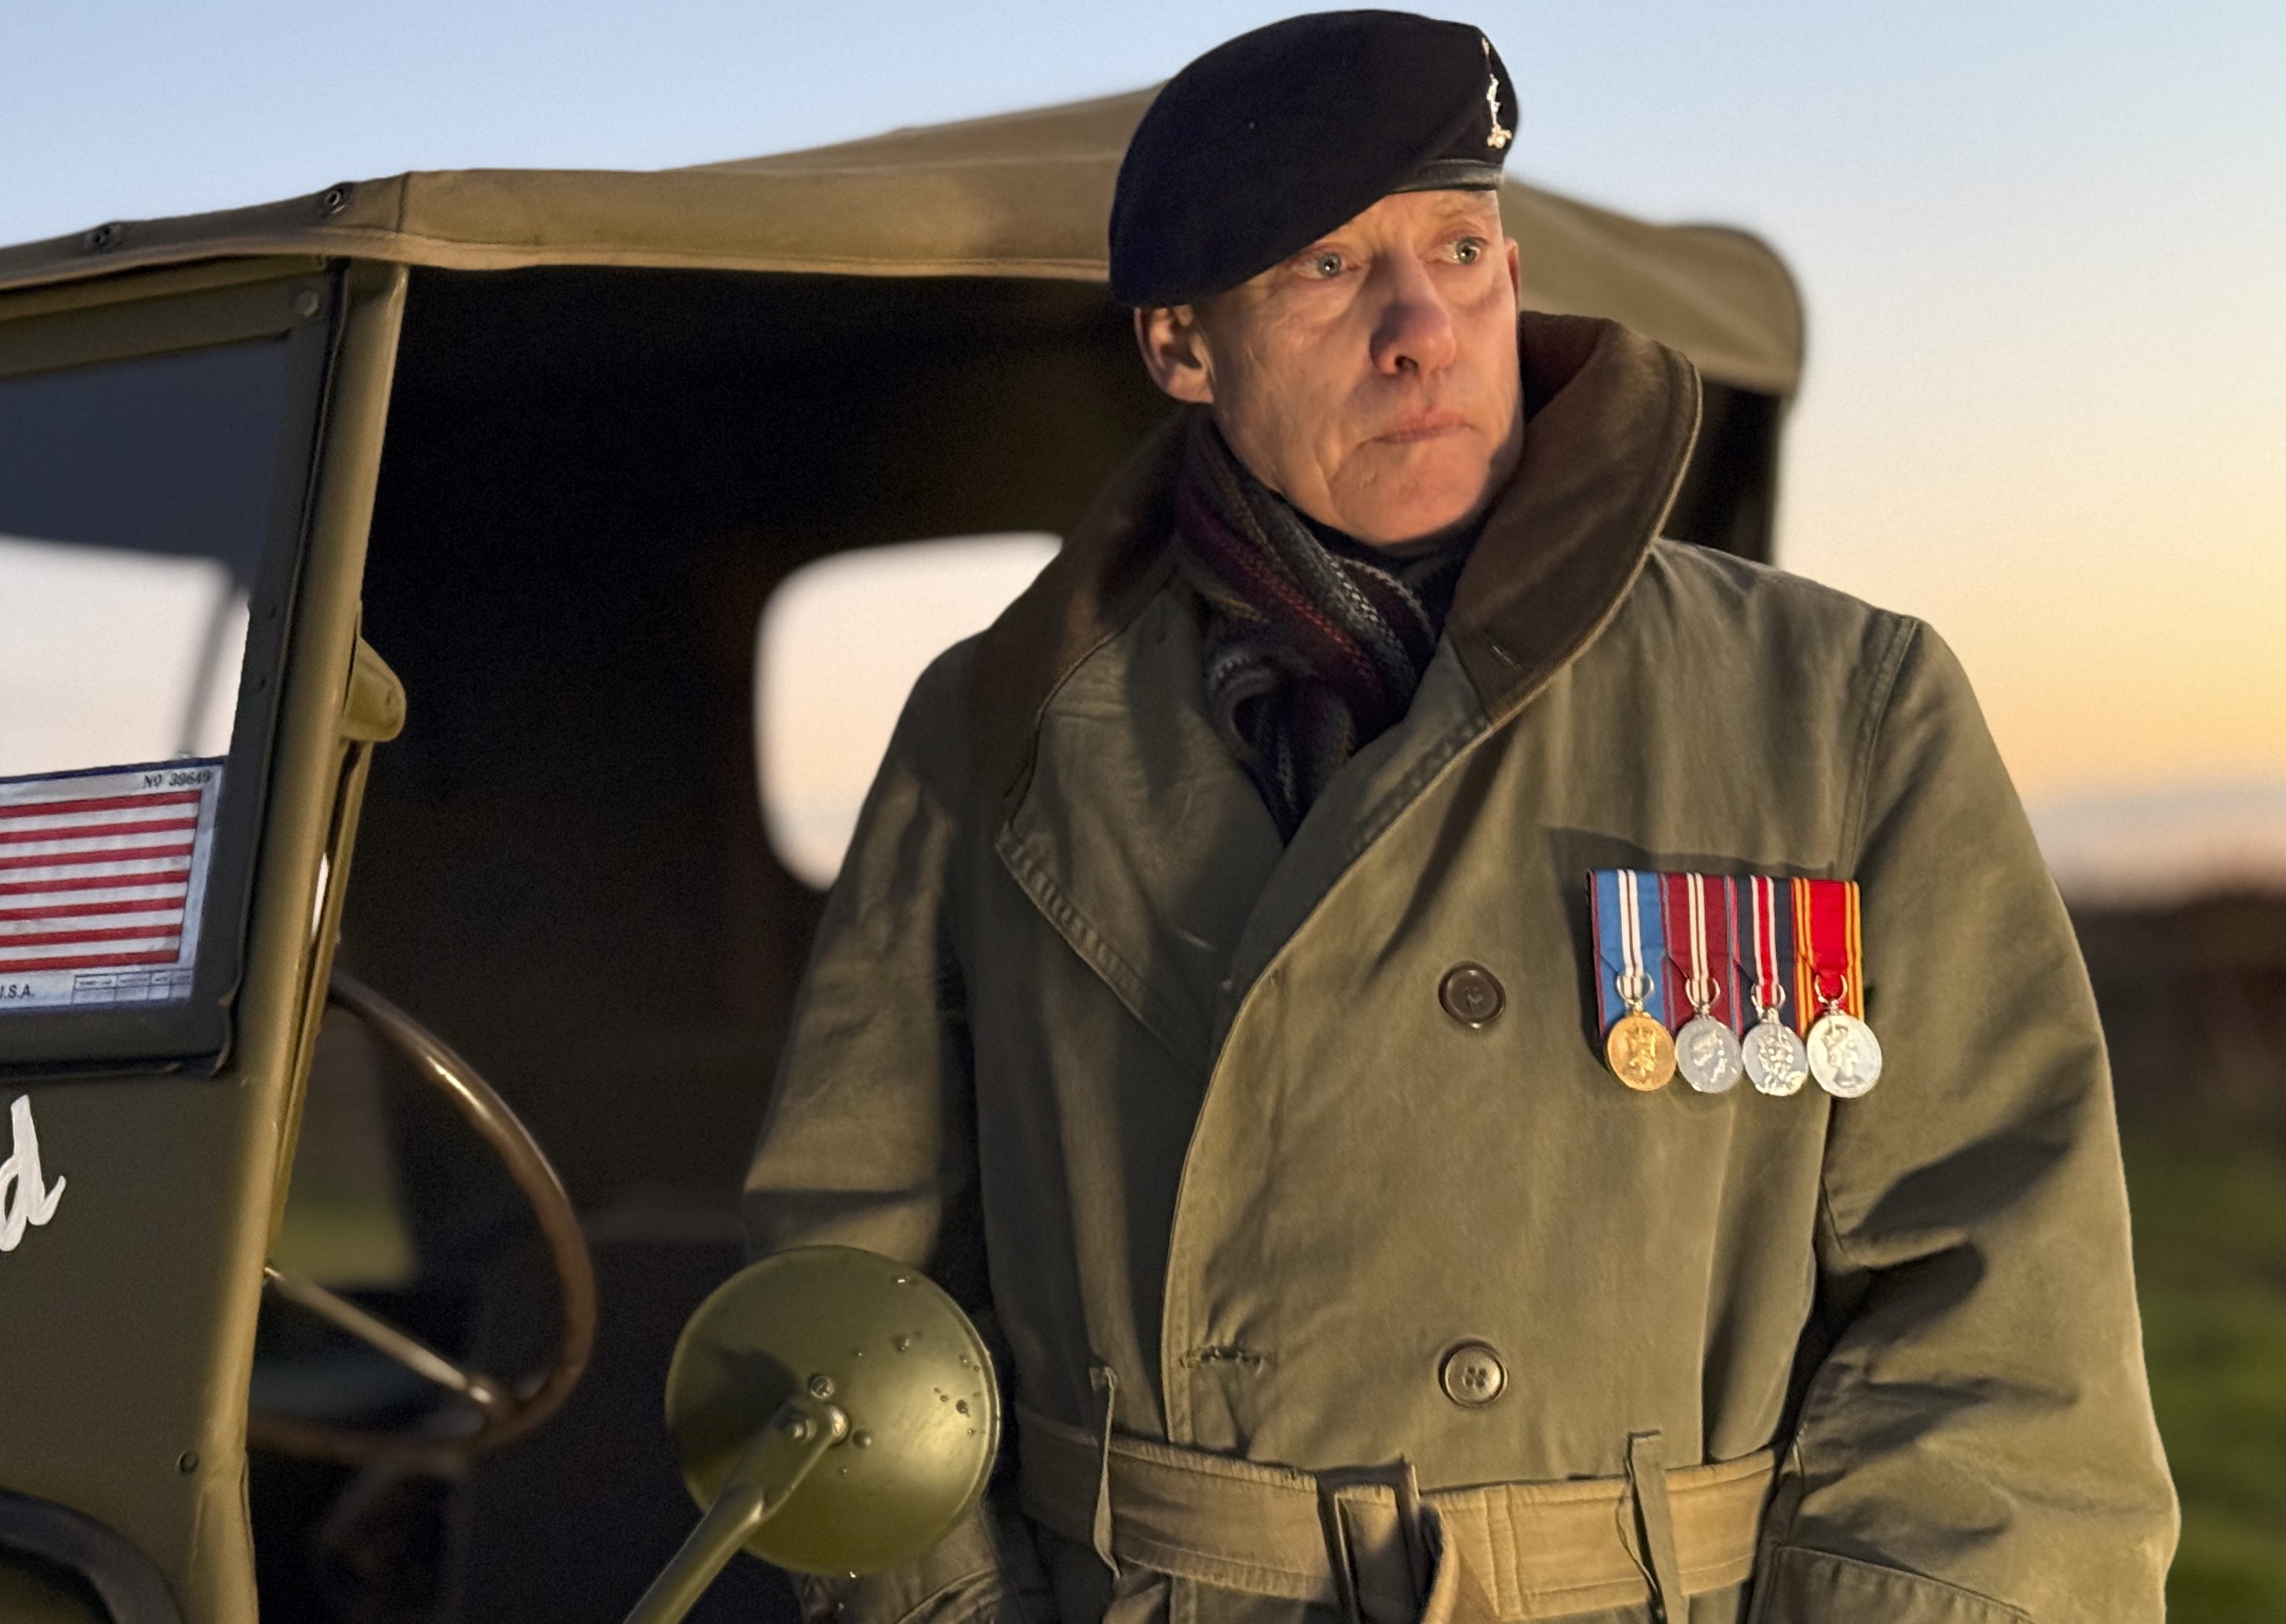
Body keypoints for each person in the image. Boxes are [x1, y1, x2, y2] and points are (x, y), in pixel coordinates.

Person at [742, 11, 2177, 1623]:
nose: (1423, 326)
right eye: (1328, 272)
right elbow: (856, 1264)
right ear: (1181, 345)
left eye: (1464, 249)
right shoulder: (993, 725)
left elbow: (2005, 1336)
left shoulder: (1836, 705)